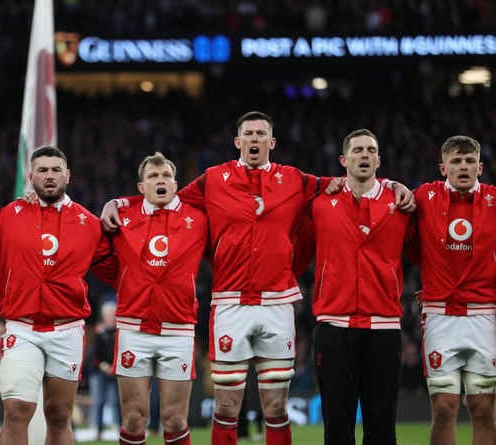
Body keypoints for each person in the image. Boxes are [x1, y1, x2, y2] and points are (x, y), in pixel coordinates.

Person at [101, 112, 415, 445]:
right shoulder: (213, 179)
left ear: (271, 142)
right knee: (226, 404)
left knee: (276, 406)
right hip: (229, 303)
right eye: (248, 134)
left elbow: (346, 182)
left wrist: (394, 185)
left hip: (277, 303)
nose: (254, 139)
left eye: (261, 134)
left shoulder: (294, 179)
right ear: (237, 141)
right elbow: (162, 197)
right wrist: (119, 202)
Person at [293, 129, 414, 444]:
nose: (364, 155)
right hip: (335, 324)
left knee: (383, 427)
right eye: (358, 150)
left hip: (384, 324)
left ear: (379, 159)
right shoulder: (319, 203)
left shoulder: (400, 202)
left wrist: (399, 186)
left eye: (370, 150)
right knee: (337, 426)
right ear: (343, 160)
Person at [0, 146, 112, 445]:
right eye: (43, 170)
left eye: (56, 169)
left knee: (60, 415)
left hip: (67, 329)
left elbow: (117, 269)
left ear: (67, 175)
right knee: (16, 410)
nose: (50, 175)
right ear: (31, 176)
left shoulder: (89, 223)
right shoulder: (8, 216)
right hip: (21, 328)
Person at [93, 151, 208, 445]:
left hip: (178, 329)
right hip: (133, 329)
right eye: (153, 176)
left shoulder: (198, 217)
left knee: (175, 419)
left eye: (166, 176)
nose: (161, 180)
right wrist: (116, 202)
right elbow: (97, 257)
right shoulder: (122, 217)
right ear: (141, 186)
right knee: (133, 417)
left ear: (175, 183)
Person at [407, 135, 496, 445]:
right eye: (456, 161)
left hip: (484, 315)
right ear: (442, 167)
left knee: (483, 409)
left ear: (480, 167)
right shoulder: (423, 197)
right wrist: (394, 188)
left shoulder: (494, 200)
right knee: (444, 408)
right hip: (440, 316)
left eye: (470, 161)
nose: (463, 166)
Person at [89, 300, 120, 440]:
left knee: (116, 401)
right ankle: (98, 430)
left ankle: (120, 428)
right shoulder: (99, 332)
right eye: (108, 316)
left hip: (116, 370)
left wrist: (115, 366)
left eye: (112, 316)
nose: (110, 319)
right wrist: (104, 366)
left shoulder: (119, 331)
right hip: (99, 371)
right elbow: (93, 355)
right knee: (98, 401)